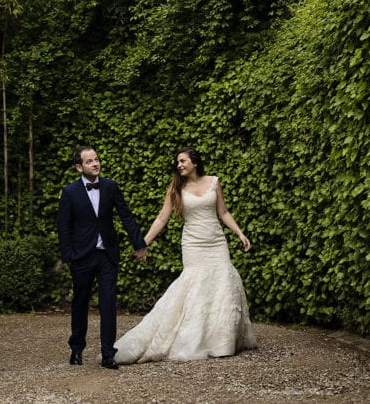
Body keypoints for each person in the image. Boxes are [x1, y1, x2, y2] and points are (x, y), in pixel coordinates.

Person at [114, 146, 257, 364]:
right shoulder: (176, 188)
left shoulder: (214, 182)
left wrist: (240, 233)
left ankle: (222, 343)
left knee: (222, 285)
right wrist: (143, 244)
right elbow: (162, 218)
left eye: (183, 161)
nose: (179, 165)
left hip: (217, 242)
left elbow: (223, 212)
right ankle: (195, 340)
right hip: (193, 244)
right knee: (196, 286)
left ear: (195, 162)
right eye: (178, 162)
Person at [57, 145, 148, 369]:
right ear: (79, 167)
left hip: (107, 255)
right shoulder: (70, 193)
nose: (95, 163)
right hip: (82, 257)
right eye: (89, 161)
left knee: (108, 303)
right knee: (80, 302)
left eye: (96, 159)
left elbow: (126, 216)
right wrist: (69, 256)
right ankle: (76, 349)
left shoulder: (110, 187)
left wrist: (139, 243)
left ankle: (108, 354)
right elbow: (63, 227)